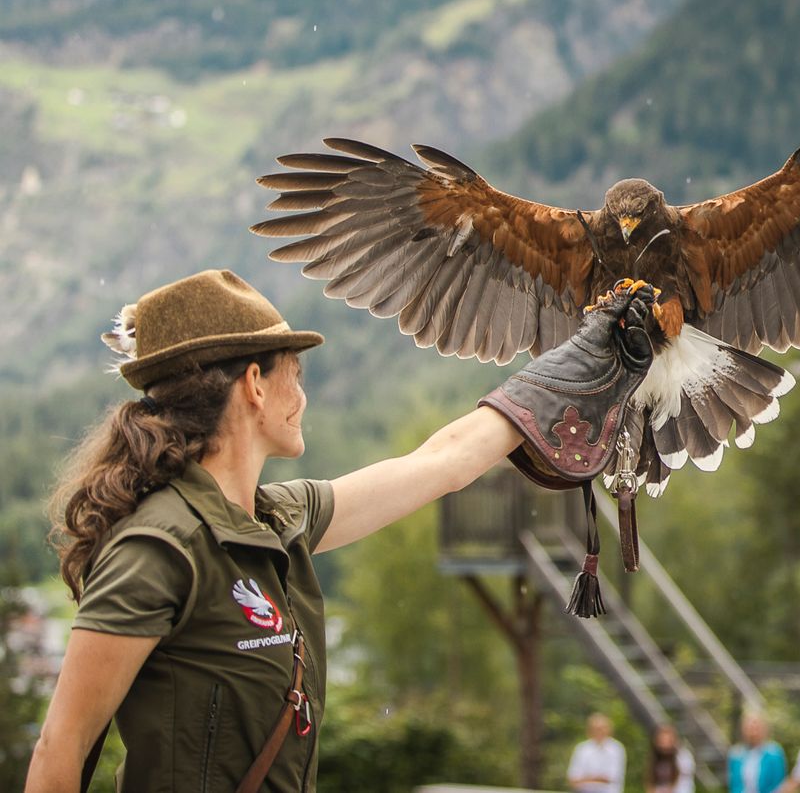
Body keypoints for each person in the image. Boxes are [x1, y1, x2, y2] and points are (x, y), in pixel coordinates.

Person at [24, 269, 654, 793]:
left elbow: (444, 463)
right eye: (295, 374)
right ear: (254, 385)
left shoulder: (282, 519)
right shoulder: (159, 547)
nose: (303, 396)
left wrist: (582, 362)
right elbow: (61, 748)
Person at [567, 712, 627, 793]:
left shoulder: (616, 749)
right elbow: (572, 779)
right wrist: (597, 778)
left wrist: (584, 779)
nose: (599, 731)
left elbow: (611, 777)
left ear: (609, 729)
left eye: (602, 728)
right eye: (596, 729)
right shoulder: (581, 748)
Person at [726, 713, 786, 793]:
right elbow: (734, 784)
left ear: (764, 730)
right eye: (749, 728)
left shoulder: (774, 752)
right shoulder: (736, 754)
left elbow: (778, 784)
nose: (753, 732)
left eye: (757, 728)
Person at [646, 722, 695, 793]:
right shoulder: (656, 757)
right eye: (661, 740)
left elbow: (684, 781)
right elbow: (651, 781)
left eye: (666, 740)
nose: (664, 743)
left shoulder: (683, 756)